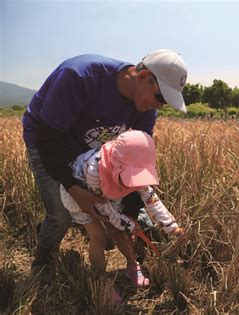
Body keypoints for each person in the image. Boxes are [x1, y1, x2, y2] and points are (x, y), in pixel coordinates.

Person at [22, 49, 188, 284]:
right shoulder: (80, 77)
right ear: (143, 77)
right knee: (60, 215)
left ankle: (140, 259)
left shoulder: (145, 109)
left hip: (94, 155)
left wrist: (127, 217)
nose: (159, 106)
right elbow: (47, 140)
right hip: (48, 144)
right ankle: (43, 260)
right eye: (161, 98)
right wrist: (74, 189)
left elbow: (135, 164)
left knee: (129, 212)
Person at [60, 130, 184, 302]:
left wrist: (171, 225)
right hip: (82, 196)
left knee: (119, 232)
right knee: (98, 236)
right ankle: (101, 279)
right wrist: (130, 225)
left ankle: (132, 265)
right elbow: (103, 209)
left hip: (109, 193)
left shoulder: (133, 163)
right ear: (117, 166)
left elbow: (150, 197)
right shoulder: (94, 170)